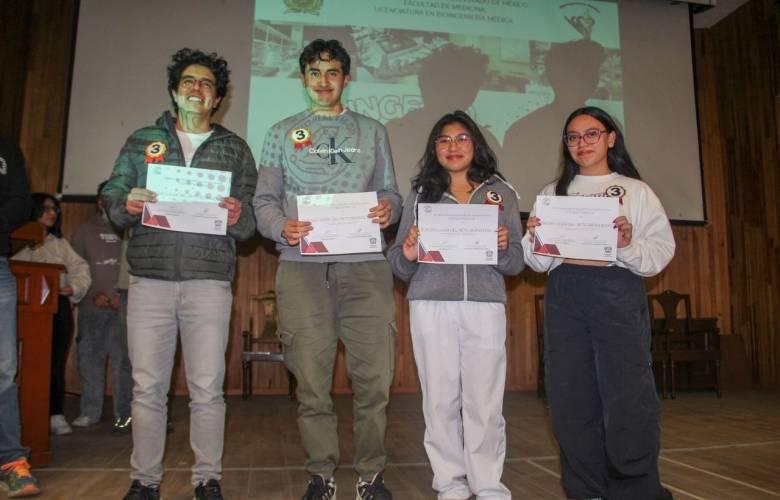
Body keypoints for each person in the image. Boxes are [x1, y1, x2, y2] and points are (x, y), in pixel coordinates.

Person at [101, 48, 258, 500]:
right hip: (150, 280)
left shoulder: (235, 149)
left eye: (206, 84)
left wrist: (236, 215)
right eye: (188, 81)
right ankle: (144, 481)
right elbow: (113, 194)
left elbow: (248, 227)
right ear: (174, 90)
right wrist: (123, 203)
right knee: (147, 387)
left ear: (217, 99)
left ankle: (207, 479)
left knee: (207, 388)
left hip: (209, 283)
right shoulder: (141, 140)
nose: (196, 89)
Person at [253, 38, 401, 500]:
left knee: (374, 379)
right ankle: (321, 475)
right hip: (301, 268)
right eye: (314, 73)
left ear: (346, 77)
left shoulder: (373, 130)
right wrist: (282, 227)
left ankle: (370, 475)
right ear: (303, 79)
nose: (323, 81)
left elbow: (392, 194)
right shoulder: (280, 132)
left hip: (364, 267)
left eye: (332, 72)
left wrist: (387, 211)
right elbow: (263, 201)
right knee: (312, 383)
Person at [521, 106, 675, 500]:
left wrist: (625, 244)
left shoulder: (635, 190)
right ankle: (585, 489)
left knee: (628, 397)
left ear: (610, 138)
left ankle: (636, 490)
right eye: (573, 137)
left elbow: (660, 252)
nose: (581, 143)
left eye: (591, 134)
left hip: (617, 291)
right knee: (570, 397)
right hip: (565, 296)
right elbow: (537, 263)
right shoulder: (551, 193)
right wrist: (535, 236)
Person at [387, 110, 523, 500]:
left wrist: (499, 248)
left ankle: (488, 483)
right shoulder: (419, 195)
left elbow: (515, 262)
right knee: (440, 397)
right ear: (434, 149)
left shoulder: (502, 193)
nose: (453, 147)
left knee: (484, 399)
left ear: (475, 144)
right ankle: (449, 482)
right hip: (430, 305)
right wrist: (410, 252)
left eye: (461, 138)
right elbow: (397, 263)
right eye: (444, 140)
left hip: (484, 305)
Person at [13, 193, 91, 437]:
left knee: (54, 362)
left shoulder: (60, 245)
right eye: (46, 208)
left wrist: (73, 287)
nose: (52, 213)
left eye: (55, 209)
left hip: (56, 308)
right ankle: (18, 416)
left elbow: (81, 270)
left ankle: (54, 413)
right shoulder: (14, 241)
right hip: (20, 309)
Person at [70, 181, 132, 435]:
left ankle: (123, 415)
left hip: (123, 305)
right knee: (90, 360)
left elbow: (134, 267)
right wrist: (93, 294)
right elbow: (76, 267)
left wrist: (121, 294)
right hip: (92, 306)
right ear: (99, 202)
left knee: (123, 362)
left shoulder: (129, 230)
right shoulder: (84, 230)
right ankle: (90, 411)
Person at [0, 137, 41, 497]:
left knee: (3, 369)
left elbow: (20, 201)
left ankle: (11, 464)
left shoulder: (7, 148)